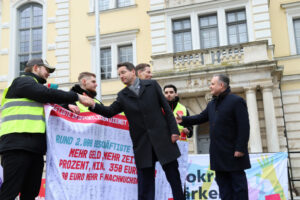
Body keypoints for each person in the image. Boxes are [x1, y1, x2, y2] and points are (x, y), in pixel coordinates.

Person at [0, 58, 94, 200]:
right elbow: (45, 94)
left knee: (31, 193)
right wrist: (76, 96)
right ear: (36, 68)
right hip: (17, 145)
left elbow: (47, 101)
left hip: (34, 148)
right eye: (47, 70)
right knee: (10, 192)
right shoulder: (22, 81)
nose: (48, 73)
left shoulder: (35, 89)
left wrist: (66, 106)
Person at [89, 62, 185, 200]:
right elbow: (109, 112)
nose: (121, 76)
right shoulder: (122, 95)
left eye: (123, 72)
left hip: (163, 139)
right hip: (143, 144)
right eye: (119, 74)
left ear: (133, 72)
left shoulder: (152, 85)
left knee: (174, 179)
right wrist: (92, 104)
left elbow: (167, 108)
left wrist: (174, 131)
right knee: (145, 185)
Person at [176, 74, 251, 200]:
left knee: (239, 188)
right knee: (223, 188)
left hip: (234, 153)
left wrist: (240, 148)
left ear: (221, 85)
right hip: (218, 154)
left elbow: (244, 127)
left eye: (212, 84)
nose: (210, 86)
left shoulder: (236, 101)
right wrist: (183, 119)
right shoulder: (212, 104)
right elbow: (200, 117)